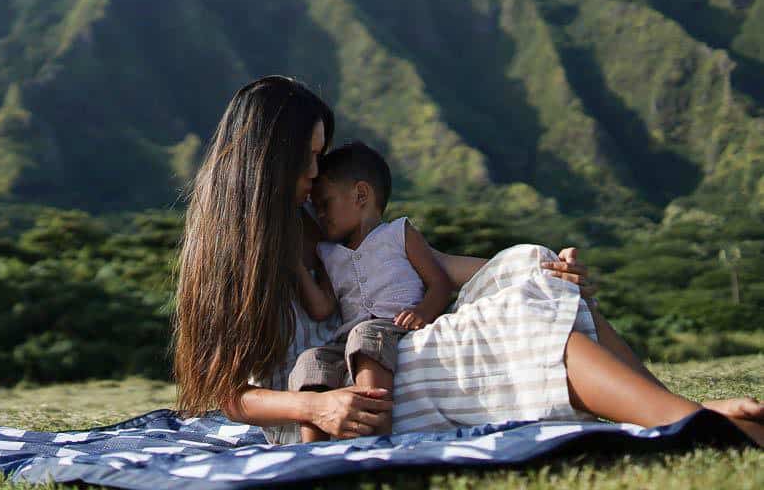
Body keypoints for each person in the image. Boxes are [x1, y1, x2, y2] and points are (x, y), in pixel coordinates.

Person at [170, 75, 764, 446]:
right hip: (336, 399)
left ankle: (676, 411)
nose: (315, 175)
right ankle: (687, 424)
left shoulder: (309, 224)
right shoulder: (231, 253)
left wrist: (546, 274)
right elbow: (229, 395)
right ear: (269, 159)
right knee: (502, 328)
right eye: (309, 159)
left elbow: (435, 267)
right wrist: (317, 405)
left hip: (383, 350)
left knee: (528, 264)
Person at [288, 141, 454, 441]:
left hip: (395, 326)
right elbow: (322, 308)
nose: (320, 216)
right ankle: (310, 451)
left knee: (366, 335)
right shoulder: (329, 254)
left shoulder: (399, 234)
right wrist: (296, 267)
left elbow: (440, 282)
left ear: (361, 195)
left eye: (325, 205)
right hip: (347, 339)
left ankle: (374, 436)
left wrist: (422, 313)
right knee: (311, 359)